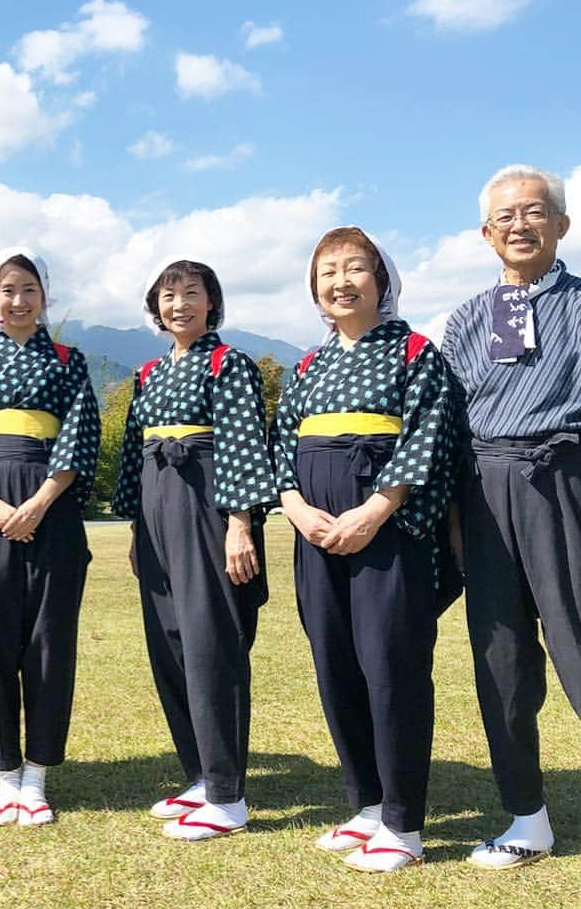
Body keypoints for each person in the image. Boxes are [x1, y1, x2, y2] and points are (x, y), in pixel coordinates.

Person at [270, 227, 453, 873]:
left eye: (354, 268)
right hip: (313, 528)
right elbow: (280, 444)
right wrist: (294, 507)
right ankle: (367, 804)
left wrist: (376, 510)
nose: (340, 281)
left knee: (392, 664)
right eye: (327, 271)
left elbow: (428, 435)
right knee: (336, 660)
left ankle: (403, 823)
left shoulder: (414, 352)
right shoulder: (309, 365)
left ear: (382, 279)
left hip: (387, 528)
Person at [441, 164, 580, 870]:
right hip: (484, 496)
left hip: (568, 484)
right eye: (505, 217)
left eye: (534, 212)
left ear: (561, 224)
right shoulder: (468, 317)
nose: (519, 225)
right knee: (500, 660)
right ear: (486, 233)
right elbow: (445, 420)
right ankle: (527, 817)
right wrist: (454, 521)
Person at [0, 246, 99, 826]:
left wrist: (37, 503)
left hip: (50, 514)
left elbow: (80, 436)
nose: (18, 300)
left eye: (29, 289)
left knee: (48, 644)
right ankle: (5, 776)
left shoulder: (67, 360)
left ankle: (37, 777)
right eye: (8, 289)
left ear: (44, 297)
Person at [111, 258, 273, 841]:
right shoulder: (148, 373)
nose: (179, 304)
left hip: (208, 500)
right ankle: (201, 776)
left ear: (212, 303)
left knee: (212, 643)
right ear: (156, 306)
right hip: (156, 506)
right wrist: (135, 528)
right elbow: (133, 454)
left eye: (192, 293)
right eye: (168, 294)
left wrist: (239, 525)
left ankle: (229, 796)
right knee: (170, 641)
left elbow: (243, 444)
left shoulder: (230, 364)